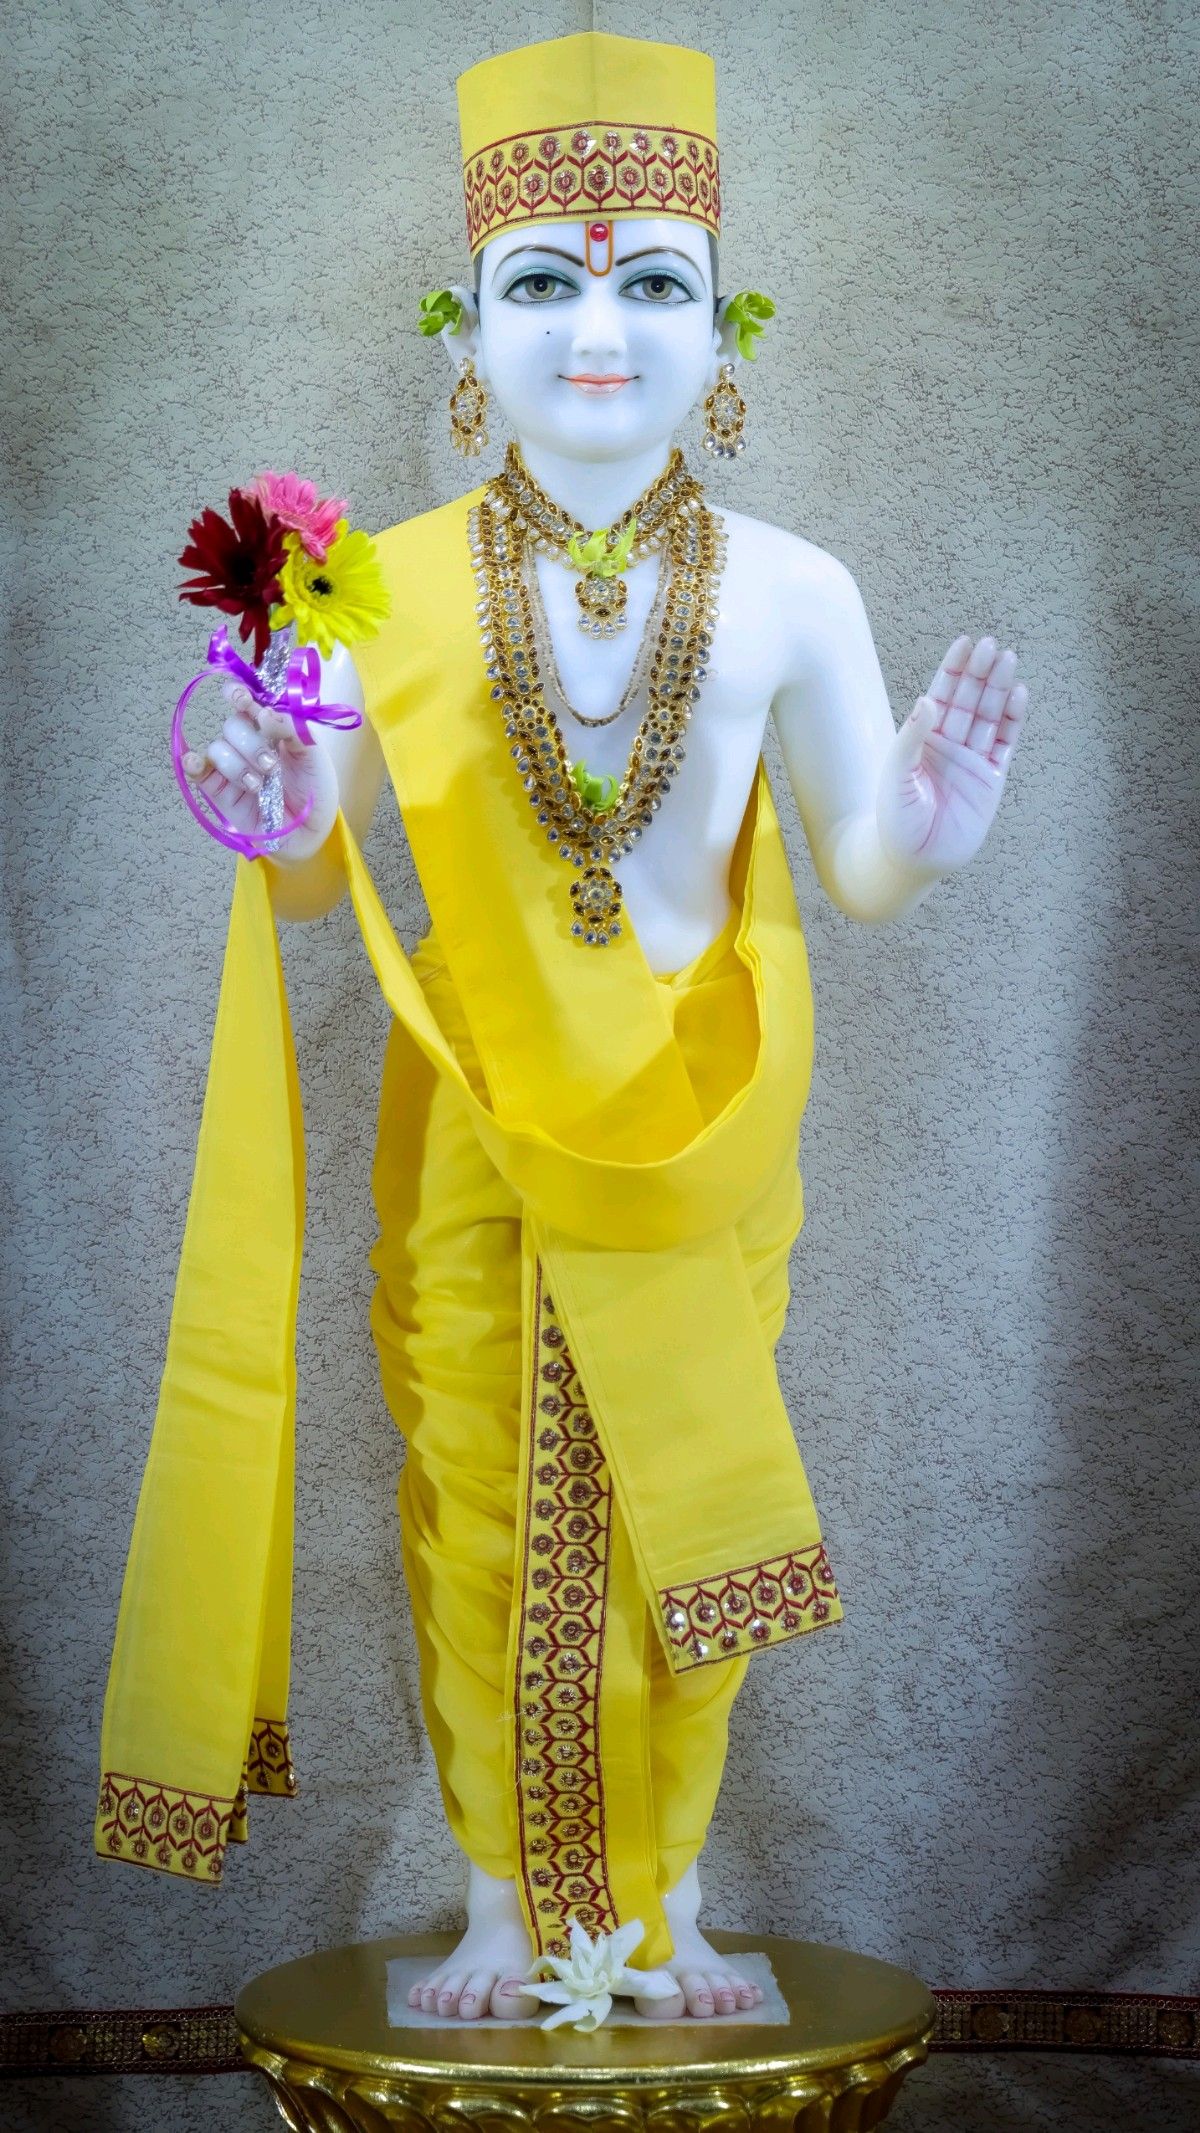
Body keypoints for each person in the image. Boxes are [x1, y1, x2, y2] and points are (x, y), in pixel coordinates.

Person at [95, 31, 1028, 2027]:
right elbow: (317, 869)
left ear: (725, 330)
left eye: (653, 283)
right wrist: (269, 806)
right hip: (483, 1127)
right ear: (468, 329)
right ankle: (513, 1907)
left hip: (698, 1140)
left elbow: (855, 864)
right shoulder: (374, 588)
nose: (599, 332)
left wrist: (924, 832)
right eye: (545, 285)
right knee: (482, 1515)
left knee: (692, 1524)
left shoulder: (793, 590)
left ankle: (669, 1904)